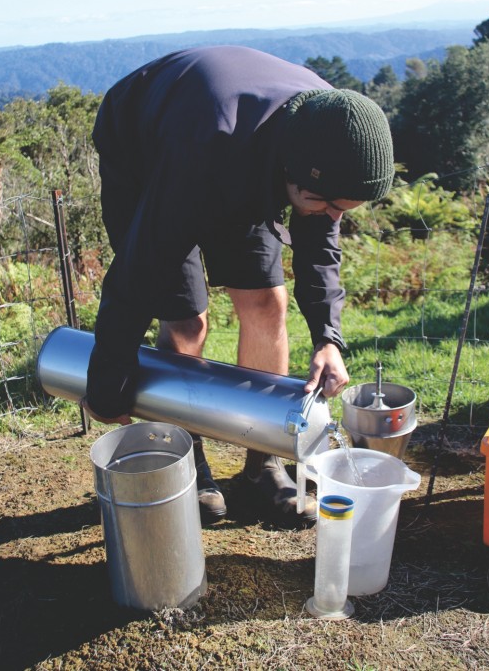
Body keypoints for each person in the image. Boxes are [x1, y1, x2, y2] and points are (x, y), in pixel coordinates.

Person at [82, 45, 394, 528]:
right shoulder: (203, 151)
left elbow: (319, 247)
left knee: (268, 302)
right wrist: (107, 381)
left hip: (248, 156)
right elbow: (139, 272)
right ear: (294, 172)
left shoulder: (334, 134)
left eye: (343, 209)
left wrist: (328, 338)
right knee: (186, 319)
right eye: (323, 203)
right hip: (149, 156)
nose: (331, 216)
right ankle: (188, 458)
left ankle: (263, 459)